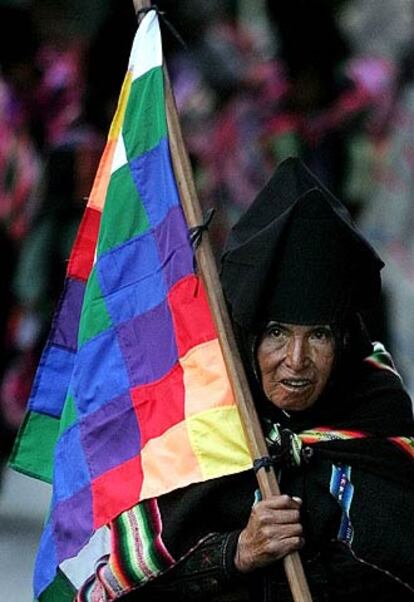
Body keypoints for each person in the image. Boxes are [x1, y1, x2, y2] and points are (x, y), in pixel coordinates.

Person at [77, 158, 414, 601]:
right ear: (247, 338)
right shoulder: (193, 421)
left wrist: (322, 514)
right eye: (277, 334)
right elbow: (119, 593)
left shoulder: (378, 411)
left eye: (318, 336)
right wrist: (236, 553)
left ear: (344, 341)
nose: (296, 360)